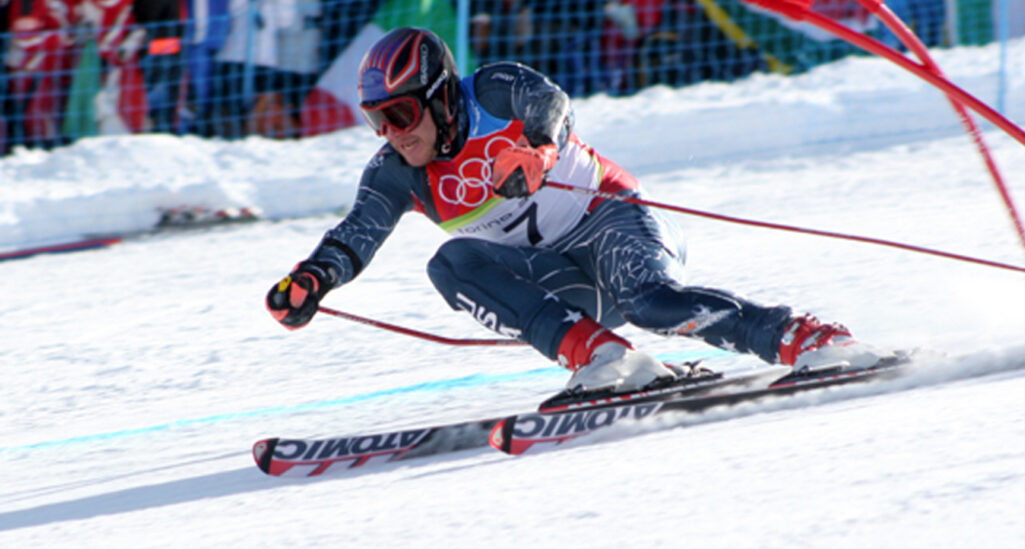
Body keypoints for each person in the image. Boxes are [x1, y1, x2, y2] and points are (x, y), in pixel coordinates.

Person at [266, 27, 890, 394]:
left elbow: (552, 104)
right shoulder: (397, 173)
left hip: (613, 221)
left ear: (437, 97)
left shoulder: (488, 91)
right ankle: (604, 359)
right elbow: (356, 235)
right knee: (449, 262)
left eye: (400, 114)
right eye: (377, 121)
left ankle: (809, 340)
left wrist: (538, 150)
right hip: (555, 276)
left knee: (651, 304)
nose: (392, 134)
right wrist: (312, 280)